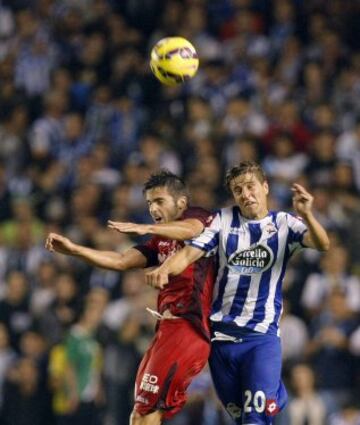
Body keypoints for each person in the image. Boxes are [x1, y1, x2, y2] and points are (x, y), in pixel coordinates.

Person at [146, 161, 330, 425]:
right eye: (238, 189)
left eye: (250, 186)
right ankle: (275, 396)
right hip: (221, 339)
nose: (245, 194)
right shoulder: (222, 220)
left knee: (255, 418)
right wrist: (166, 269)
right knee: (241, 417)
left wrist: (308, 214)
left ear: (265, 187)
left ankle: (270, 397)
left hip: (261, 338)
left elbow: (322, 244)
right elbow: (188, 253)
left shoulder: (285, 223)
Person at [45, 170, 216, 425]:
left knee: (145, 415)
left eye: (159, 201)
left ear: (181, 203)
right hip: (166, 329)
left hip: (187, 328)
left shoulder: (199, 219)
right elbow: (122, 260)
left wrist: (143, 227)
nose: (153, 208)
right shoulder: (160, 242)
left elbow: (193, 229)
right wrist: (74, 250)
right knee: (142, 415)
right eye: (149, 203)